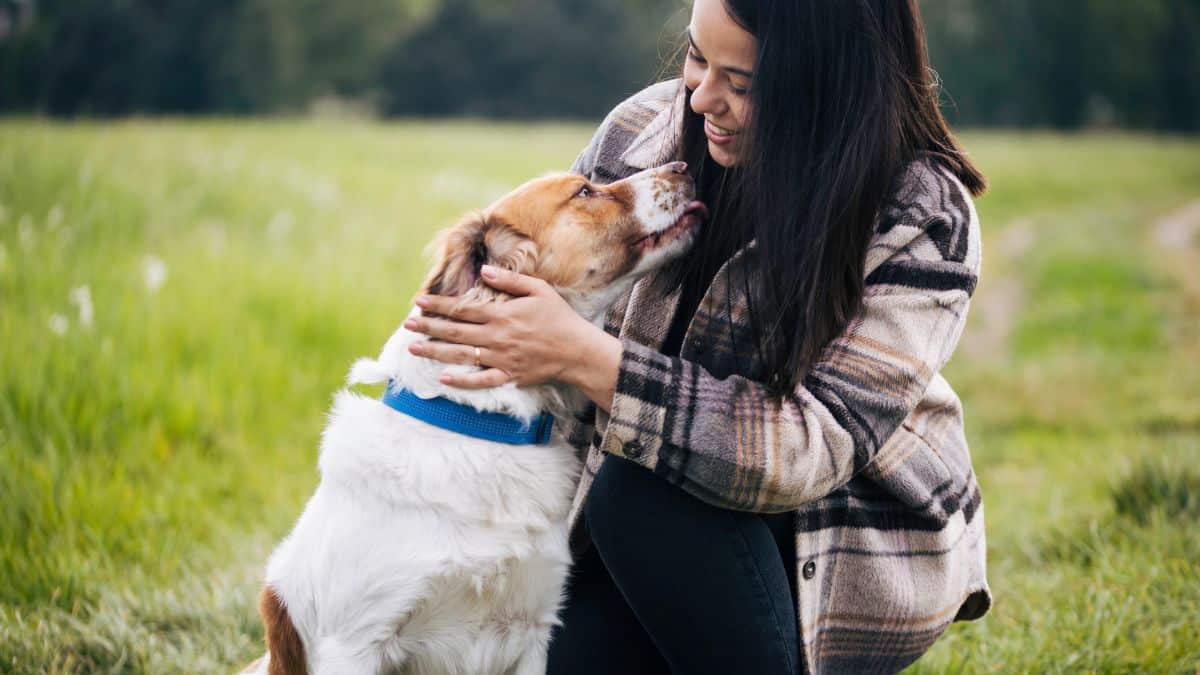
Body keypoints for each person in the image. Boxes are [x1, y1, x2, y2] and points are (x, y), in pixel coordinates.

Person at [403, 0, 992, 672]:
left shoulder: (920, 212)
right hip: (633, 541)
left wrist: (591, 360)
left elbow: (808, 449)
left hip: (824, 550)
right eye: (696, 57)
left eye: (742, 84)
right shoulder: (638, 134)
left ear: (825, 84)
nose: (702, 97)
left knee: (640, 489)